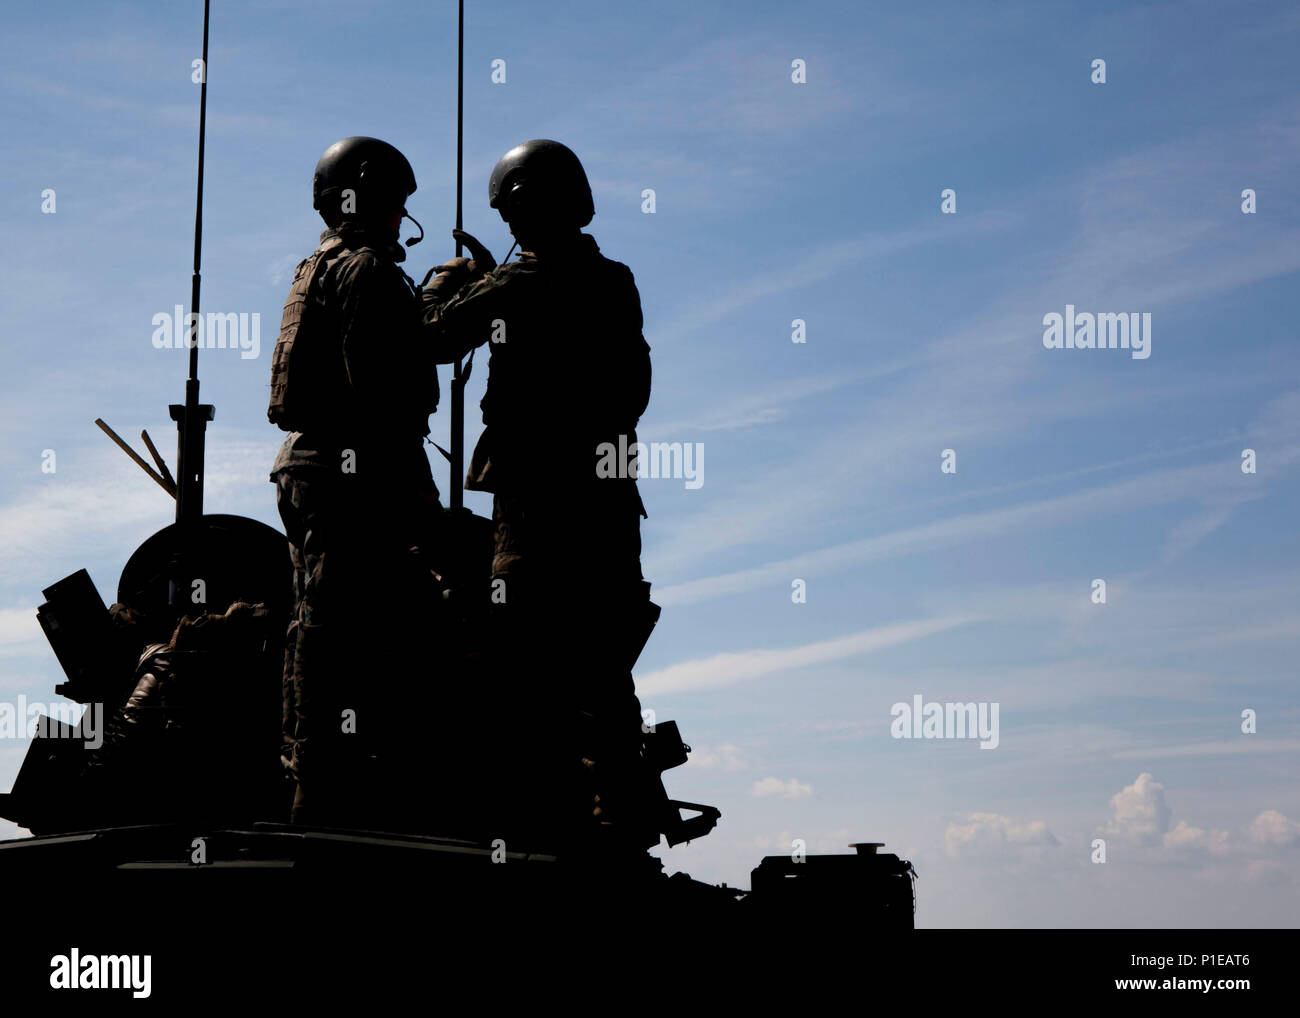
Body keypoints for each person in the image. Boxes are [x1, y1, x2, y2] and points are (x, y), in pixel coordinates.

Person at [421, 139, 657, 849]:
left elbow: (430, 337)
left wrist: (447, 279)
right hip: (611, 506)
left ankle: (535, 827)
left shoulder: (517, 287)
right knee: (604, 673)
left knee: (519, 665)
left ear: (519, 206)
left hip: (536, 511)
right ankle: (621, 819)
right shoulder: (615, 280)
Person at [268, 136, 440, 826]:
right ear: (368, 197)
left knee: (320, 622)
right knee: (340, 629)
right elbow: (382, 391)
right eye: (397, 204)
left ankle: (322, 773)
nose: (403, 218)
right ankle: (326, 784)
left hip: (316, 465)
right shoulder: (366, 271)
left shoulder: (320, 264)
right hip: (352, 471)